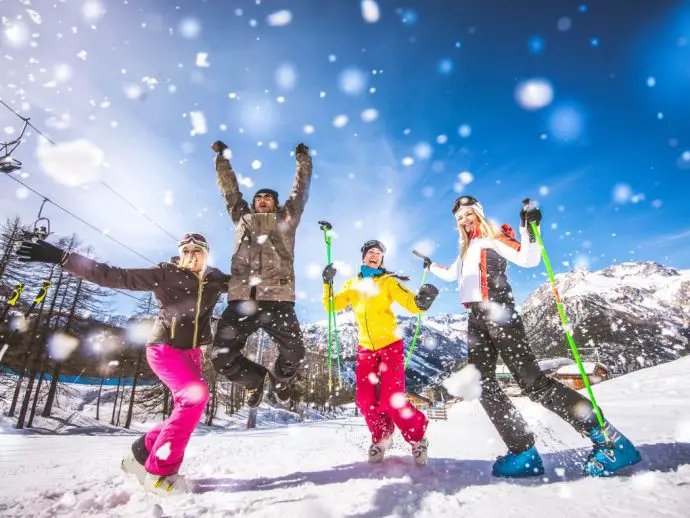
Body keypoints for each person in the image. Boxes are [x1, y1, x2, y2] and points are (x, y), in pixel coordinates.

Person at [424, 195, 641, 477]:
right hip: (476, 318)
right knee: (481, 383)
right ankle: (523, 451)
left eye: (468, 214)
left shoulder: (495, 237)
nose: (464, 220)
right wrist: (430, 267)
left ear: (478, 212)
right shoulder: (466, 250)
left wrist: (528, 229)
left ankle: (610, 441)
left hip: (499, 313)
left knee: (533, 383)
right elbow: (451, 273)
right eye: (459, 218)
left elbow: (529, 258)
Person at [16, 233, 229, 495]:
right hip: (165, 348)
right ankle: (160, 474)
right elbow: (113, 274)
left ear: (206, 255)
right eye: (186, 250)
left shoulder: (214, 278)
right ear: (179, 253)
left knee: (189, 408)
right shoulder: (165, 273)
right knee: (195, 397)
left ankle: (142, 452)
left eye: (197, 250)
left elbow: (249, 286)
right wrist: (62, 258)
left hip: (192, 354)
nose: (191, 254)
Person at [209, 140, 312, 407]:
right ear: (253, 203)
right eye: (259, 197)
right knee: (221, 357)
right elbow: (230, 191)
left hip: (278, 298)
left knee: (296, 353)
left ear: (276, 203)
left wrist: (303, 160)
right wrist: (222, 159)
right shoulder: (242, 217)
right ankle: (253, 381)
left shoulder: (286, 220)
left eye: (268, 197)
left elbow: (299, 192)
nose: (263, 200)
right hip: (242, 299)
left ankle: (279, 380)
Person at [322, 240, 439, 466]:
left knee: (391, 400)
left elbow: (410, 303)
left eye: (378, 254)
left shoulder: (388, 282)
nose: (374, 256)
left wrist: (421, 302)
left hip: (390, 346)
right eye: (370, 253)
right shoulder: (351, 285)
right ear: (363, 257)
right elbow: (331, 306)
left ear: (381, 260)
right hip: (365, 348)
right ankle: (382, 436)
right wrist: (327, 283)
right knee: (365, 400)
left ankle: (417, 438)